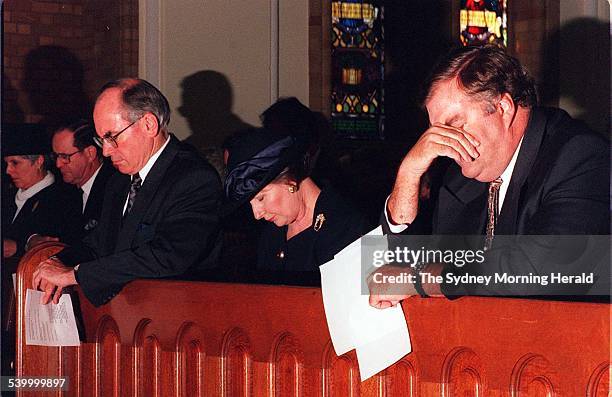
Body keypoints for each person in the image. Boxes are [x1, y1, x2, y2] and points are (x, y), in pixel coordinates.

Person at [370, 44, 610, 308]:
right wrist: (409, 172)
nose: (442, 144)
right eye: (435, 131)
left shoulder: (579, 155)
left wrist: (417, 280)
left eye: (454, 124)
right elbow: (408, 264)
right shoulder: (461, 173)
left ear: (504, 108)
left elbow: (538, 270)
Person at [32, 78, 223, 306]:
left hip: (178, 317)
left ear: (149, 124)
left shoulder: (193, 177)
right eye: (101, 139)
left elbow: (169, 255)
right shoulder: (120, 181)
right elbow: (100, 242)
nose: (106, 150)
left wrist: (75, 274)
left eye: (112, 137)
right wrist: (58, 261)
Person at [224, 128, 370, 281]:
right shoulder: (271, 231)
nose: (257, 214)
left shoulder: (353, 223)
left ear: (290, 181)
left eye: (261, 198)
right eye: (250, 203)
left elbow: (384, 293)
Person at [27, 120, 116, 247]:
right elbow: (35, 226)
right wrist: (33, 239)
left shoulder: (116, 187)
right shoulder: (61, 188)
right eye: (56, 156)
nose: (58, 164)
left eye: (65, 156)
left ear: (90, 153)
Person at [2, 123, 82, 258]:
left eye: (15, 163)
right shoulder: (7, 196)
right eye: (6, 163)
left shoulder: (63, 199)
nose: (8, 170)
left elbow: (60, 246)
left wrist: (18, 247)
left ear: (39, 161)